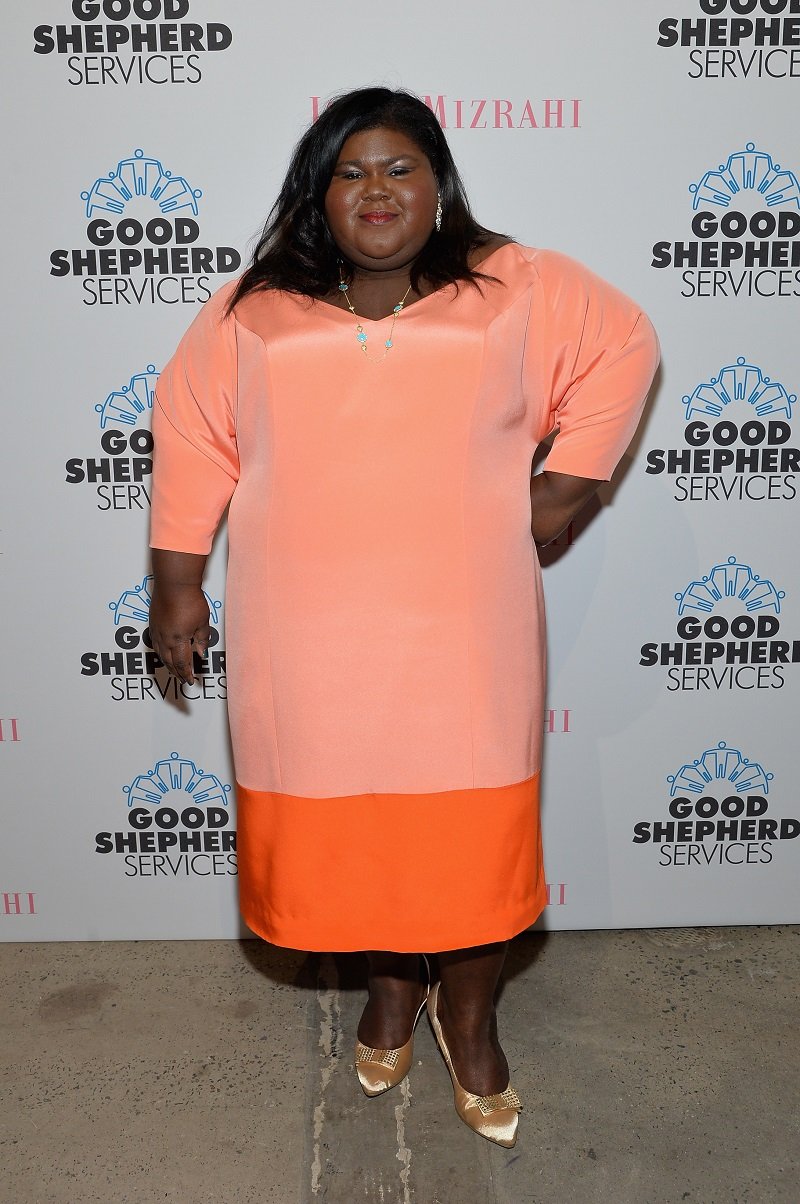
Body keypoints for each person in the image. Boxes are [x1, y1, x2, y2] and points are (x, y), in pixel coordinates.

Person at [148, 86, 659, 1149]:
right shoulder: (253, 308)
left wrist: (566, 489)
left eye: (398, 167)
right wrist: (178, 586)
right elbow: (193, 437)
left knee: (465, 842)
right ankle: (387, 995)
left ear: (438, 184)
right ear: (317, 194)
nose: (374, 189)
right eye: (349, 170)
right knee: (349, 844)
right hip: (307, 632)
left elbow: (622, 345)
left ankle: (468, 1018)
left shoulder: (512, 285)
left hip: (462, 631)